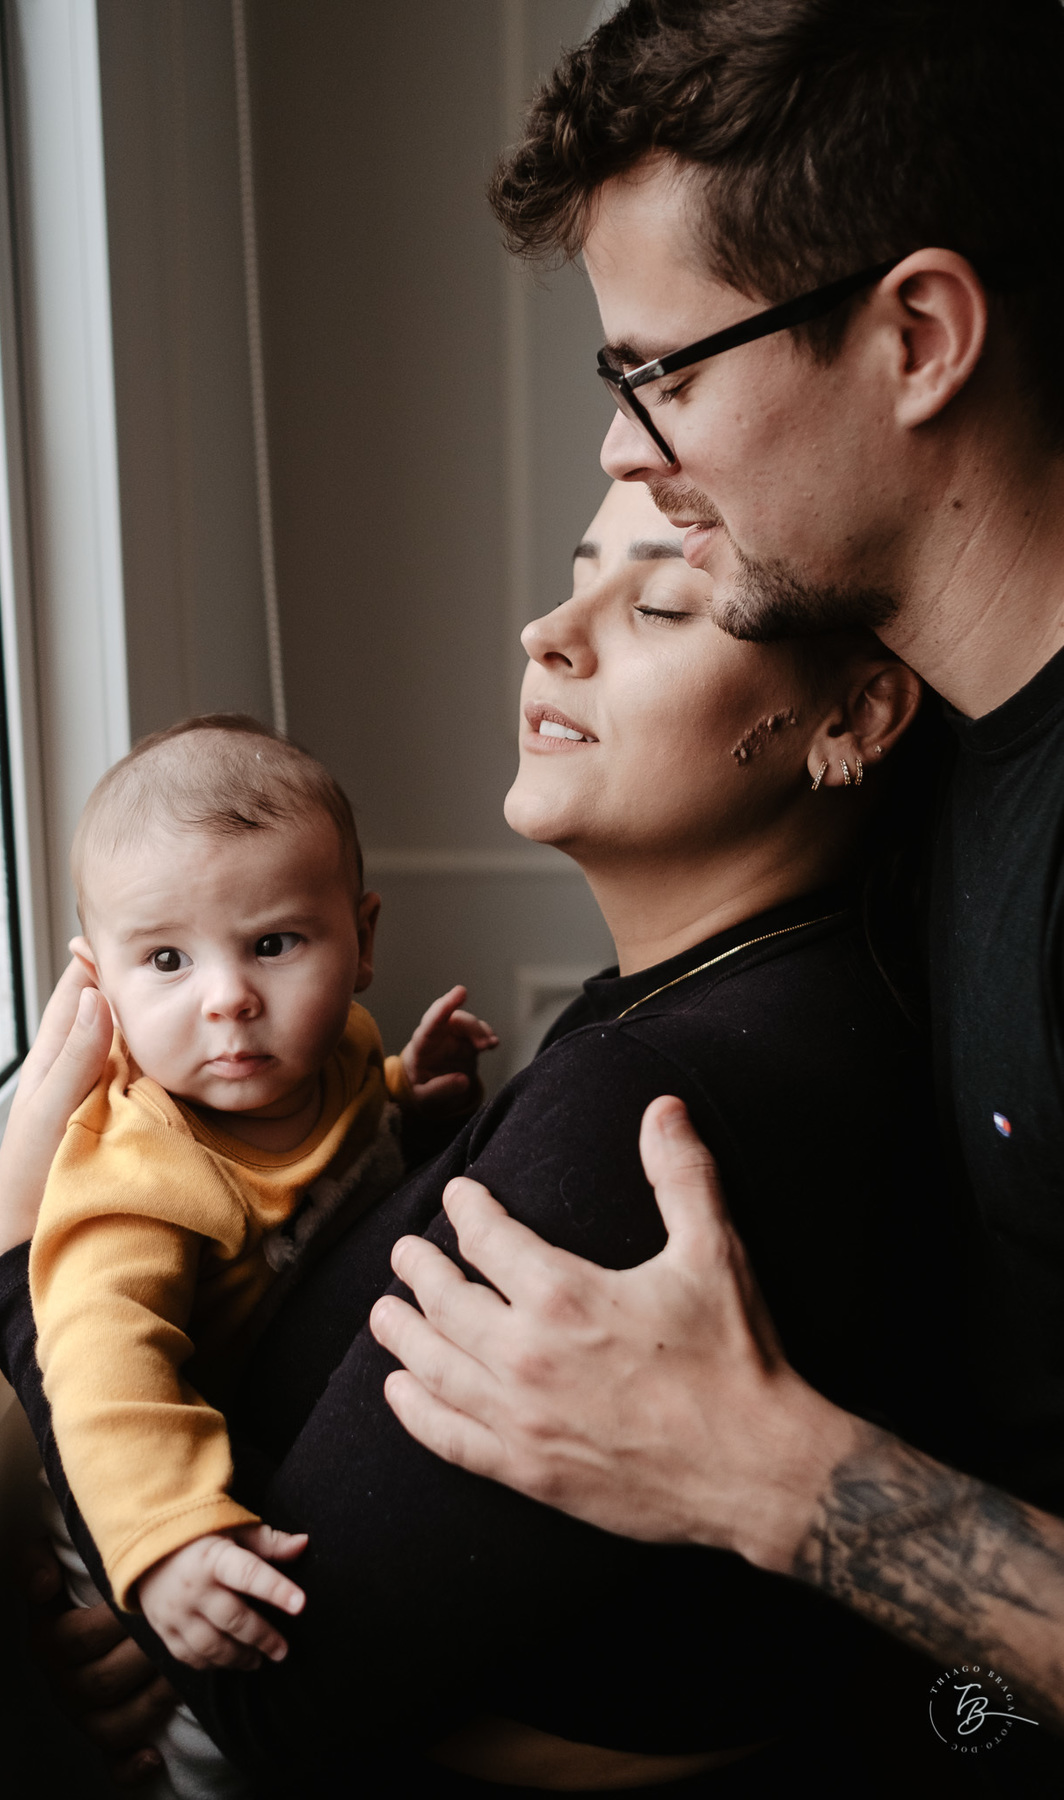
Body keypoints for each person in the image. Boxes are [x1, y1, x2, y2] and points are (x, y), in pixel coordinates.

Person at [0, 480, 974, 1792]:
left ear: (851, 717)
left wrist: (7, 1278)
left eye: (663, 601)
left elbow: (279, 1698)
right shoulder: (722, 1001)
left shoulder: (657, 1106)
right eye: (575, 576)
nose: (545, 632)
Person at [362, 0, 1064, 1747]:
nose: (621, 447)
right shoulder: (946, 768)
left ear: (919, 334)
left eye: (659, 370)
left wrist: (765, 1476)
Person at [22, 713, 495, 1794]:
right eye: (167, 960)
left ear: (360, 938)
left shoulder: (339, 1050)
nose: (227, 997)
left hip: (254, 1445)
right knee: (210, 1739)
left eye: (274, 944)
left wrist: (405, 1101)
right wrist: (166, 1542)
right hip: (133, 1482)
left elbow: (342, 1144)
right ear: (101, 981)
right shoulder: (140, 1169)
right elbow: (102, 1366)